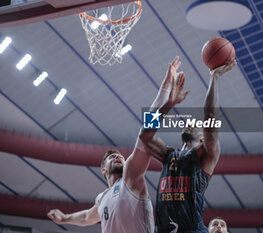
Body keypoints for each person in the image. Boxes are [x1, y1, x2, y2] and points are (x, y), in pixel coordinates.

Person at [47, 57, 183, 233]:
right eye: (111, 157)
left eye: (120, 156)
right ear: (103, 169)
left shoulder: (131, 177)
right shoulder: (102, 198)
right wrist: (64, 218)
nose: (118, 156)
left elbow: (146, 132)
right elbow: (87, 217)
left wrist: (165, 89)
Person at [140, 56, 236, 233]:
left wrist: (214, 77)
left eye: (197, 125)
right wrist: (168, 104)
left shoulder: (206, 154)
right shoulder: (168, 155)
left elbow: (210, 117)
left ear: (202, 139)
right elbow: (144, 135)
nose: (191, 123)